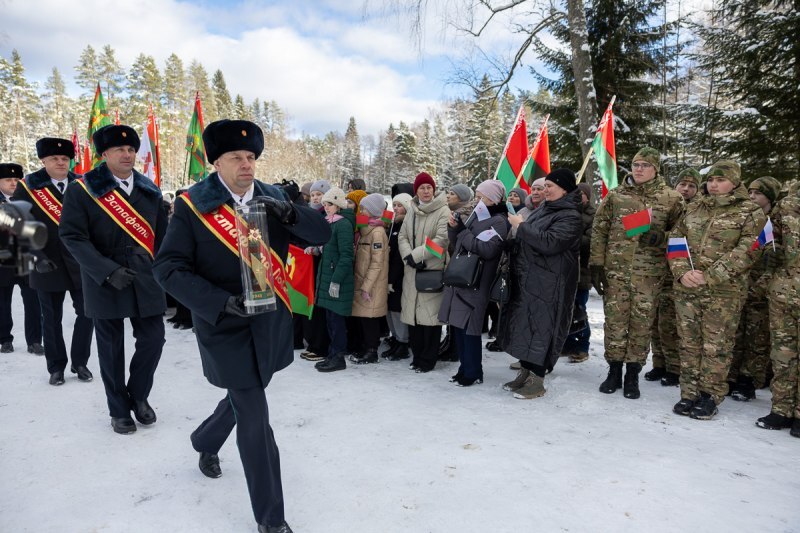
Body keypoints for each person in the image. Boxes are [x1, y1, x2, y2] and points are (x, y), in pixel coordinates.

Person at [153, 119, 327, 533]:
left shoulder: (274, 196)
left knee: (247, 393)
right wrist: (218, 302)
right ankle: (271, 519)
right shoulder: (195, 205)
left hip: (269, 323)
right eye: (236, 157)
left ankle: (204, 439)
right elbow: (168, 268)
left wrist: (293, 212)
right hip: (224, 324)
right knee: (254, 415)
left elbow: (320, 232)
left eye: (251, 157)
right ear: (217, 162)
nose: (246, 164)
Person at [60, 124, 168, 435]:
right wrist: (106, 270)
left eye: (132, 149)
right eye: (120, 149)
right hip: (103, 278)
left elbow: (161, 236)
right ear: (104, 154)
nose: (127, 154)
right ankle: (118, 409)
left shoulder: (150, 190)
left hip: (144, 277)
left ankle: (138, 395)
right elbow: (72, 235)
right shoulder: (83, 189)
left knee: (153, 340)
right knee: (110, 347)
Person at [668, 160, 765, 420]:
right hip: (687, 289)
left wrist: (710, 276)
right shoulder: (695, 207)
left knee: (716, 345)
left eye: (720, 180)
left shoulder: (751, 212)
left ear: (734, 183)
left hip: (724, 292)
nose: (714, 184)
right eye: (711, 180)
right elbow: (676, 240)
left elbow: (750, 250)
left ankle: (709, 395)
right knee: (689, 343)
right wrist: (682, 272)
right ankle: (688, 392)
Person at [590, 147, 684, 400]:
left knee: (641, 325)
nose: (639, 169)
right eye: (636, 164)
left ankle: (633, 373)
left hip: (650, 275)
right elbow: (600, 229)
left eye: (645, 165)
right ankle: (614, 370)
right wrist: (597, 263)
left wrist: (662, 238)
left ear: (656, 169)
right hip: (616, 272)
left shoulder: (671, 198)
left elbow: (684, 236)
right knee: (616, 322)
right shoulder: (617, 195)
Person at [13, 138, 93, 385]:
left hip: (81, 262)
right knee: (51, 318)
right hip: (46, 262)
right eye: (55, 159)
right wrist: (36, 257)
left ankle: (80, 363)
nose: (61, 162)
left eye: (65, 159)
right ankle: (56, 366)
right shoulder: (28, 186)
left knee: (87, 314)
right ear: (43, 161)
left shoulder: (83, 184)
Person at [498, 169, 583, 399]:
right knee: (525, 327)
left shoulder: (571, 215)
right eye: (544, 186)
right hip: (529, 279)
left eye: (550, 186)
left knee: (543, 330)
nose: (544, 190)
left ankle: (537, 380)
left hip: (551, 283)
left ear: (564, 189)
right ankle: (525, 372)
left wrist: (521, 226)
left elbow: (551, 243)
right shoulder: (545, 208)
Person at [439, 179, 508, 386]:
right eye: (476, 196)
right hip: (462, 278)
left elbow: (487, 250)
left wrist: (463, 231)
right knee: (458, 327)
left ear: (493, 199)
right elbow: (459, 243)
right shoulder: (477, 216)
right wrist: (455, 228)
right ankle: (464, 368)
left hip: (477, 280)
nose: (477, 201)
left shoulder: (498, 221)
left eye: (481, 197)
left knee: (470, 328)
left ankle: (473, 371)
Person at [728, 176, 782, 400]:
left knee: (757, 336)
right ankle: (732, 376)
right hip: (741, 282)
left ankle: (749, 379)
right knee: (736, 332)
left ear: (769, 197)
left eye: (757, 194)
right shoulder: (745, 217)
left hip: (763, 286)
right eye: (749, 192)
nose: (752, 197)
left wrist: (761, 285)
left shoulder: (777, 221)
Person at [646, 167, 702, 385]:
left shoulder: (697, 210)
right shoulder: (666, 201)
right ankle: (659, 363)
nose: (686, 189)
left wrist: (661, 237)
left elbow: (687, 237)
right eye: (682, 185)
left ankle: (674, 367)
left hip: (680, 274)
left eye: (691, 186)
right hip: (657, 270)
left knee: (670, 324)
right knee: (655, 322)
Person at [756, 182, 800, 436]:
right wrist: (769, 252)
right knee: (783, 354)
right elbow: (767, 237)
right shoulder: (787, 205)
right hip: (783, 292)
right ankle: (781, 409)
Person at [398, 172, 450, 373]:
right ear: (416, 191)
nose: (426, 191)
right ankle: (417, 356)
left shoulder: (443, 211)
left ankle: (428, 360)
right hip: (412, 269)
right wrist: (408, 257)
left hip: (431, 270)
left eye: (429, 187)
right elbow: (402, 236)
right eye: (422, 188)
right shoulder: (412, 209)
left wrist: (418, 255)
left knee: (430, 319)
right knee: (413, 317)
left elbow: (442, 241)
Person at [0, 163, 43, 356]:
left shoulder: (31, 200)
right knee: (2, 302)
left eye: (16, 179)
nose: (13, 183)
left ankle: (34, 341)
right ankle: (4, 339)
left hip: (26, 258)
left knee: (33, 302)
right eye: (8, 180)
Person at [312, 187, 355, 372]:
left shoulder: (343, 224)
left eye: (329, 204)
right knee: (330, 321)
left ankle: (338, 357)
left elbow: (346, 256)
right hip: (328, 278)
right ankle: (332, 354)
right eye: (324, 204)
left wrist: (336, 281)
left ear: (337, 204)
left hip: (337, 281)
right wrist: (317, 250)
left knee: (337, 323)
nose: (326, 207)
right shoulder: (330, 223)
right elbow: (330, 249)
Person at [349, 193, 390, 364]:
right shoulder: (366, 230)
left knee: (369, 319)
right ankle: (364, 348)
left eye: (364, 208)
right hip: (361, 281)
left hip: (371, 285)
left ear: (372, 211)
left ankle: (372, 351)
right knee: (362, 319)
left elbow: (377, 262)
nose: (361, 211)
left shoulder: (378, 233)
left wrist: (367, 286)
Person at [561, 182, 595, 364]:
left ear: (587, 197)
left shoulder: (593, 215)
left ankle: (582, 346)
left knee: (579, 310)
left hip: (582, 272)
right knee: (564, 310)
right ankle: (566, 344)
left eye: (581, 193)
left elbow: (590, 241)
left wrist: (569, 234)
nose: (577, 196)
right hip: (564, 271)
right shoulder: (565, 211)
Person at [384, 191, 412, 360]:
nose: (396, 208)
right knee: (389, 308)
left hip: (399, 276)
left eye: (400, 205)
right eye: (394, 205)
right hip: (388, 274)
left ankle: (403, 342)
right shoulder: (393, 224)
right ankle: (395, 338)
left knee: (396, 309)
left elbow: (399, 258)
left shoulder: (406, 226)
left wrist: (392, 279)